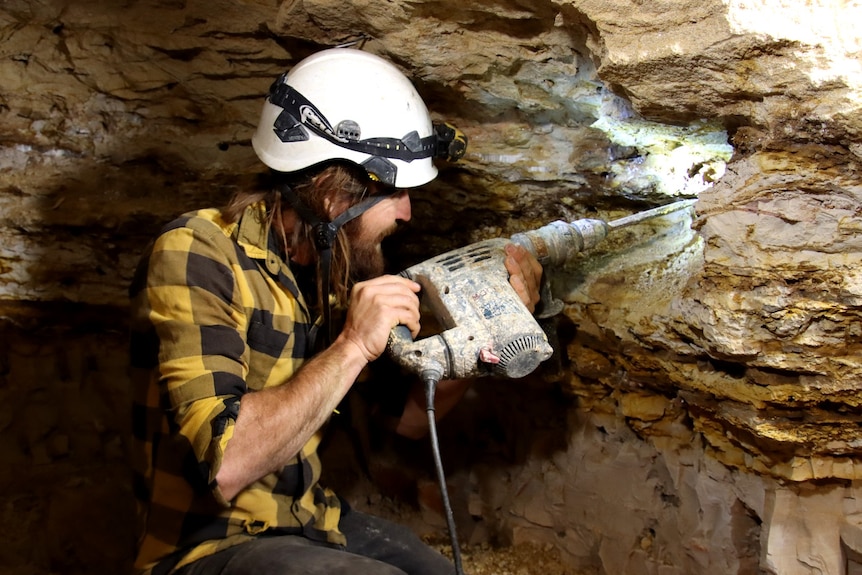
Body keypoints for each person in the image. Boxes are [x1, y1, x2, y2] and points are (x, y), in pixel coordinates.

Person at [128, 48, 543, 575]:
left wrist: (486, 333)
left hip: (310, 520)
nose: (407, 213)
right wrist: (352, 345)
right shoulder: (198, 253)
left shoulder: (340, 268)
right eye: (394, 193)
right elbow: (226, 463)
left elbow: (411, 423)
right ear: (329, 193)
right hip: (204, 544)